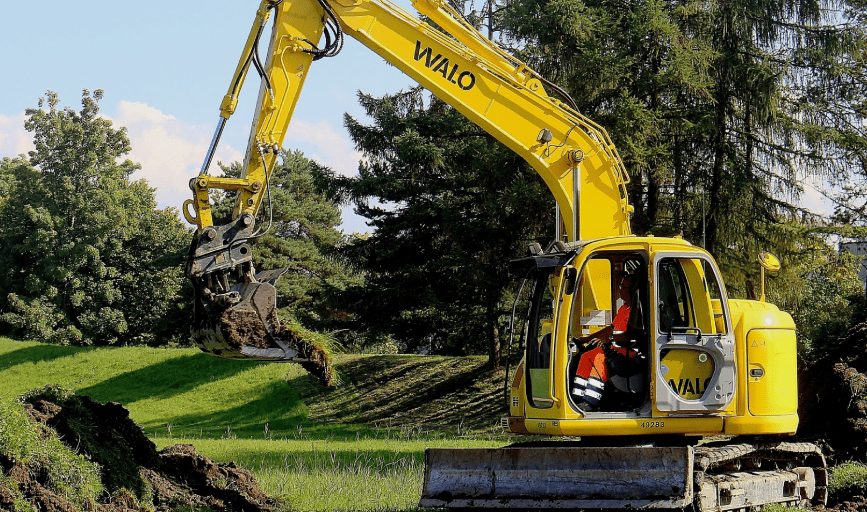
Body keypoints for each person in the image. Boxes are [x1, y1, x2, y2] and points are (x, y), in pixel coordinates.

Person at [572, 274, 643, 412]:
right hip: (616, 350)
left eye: (623, 286)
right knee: (586, 356)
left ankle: (590, 402)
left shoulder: (638, 311)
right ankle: (577, 398)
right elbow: (611, 329)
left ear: (632, 290)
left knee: (599, 358)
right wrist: (586, 339)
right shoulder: (624, 309)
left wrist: (609, 339)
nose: (620, 289)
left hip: (630, 354)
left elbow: (632, 334)